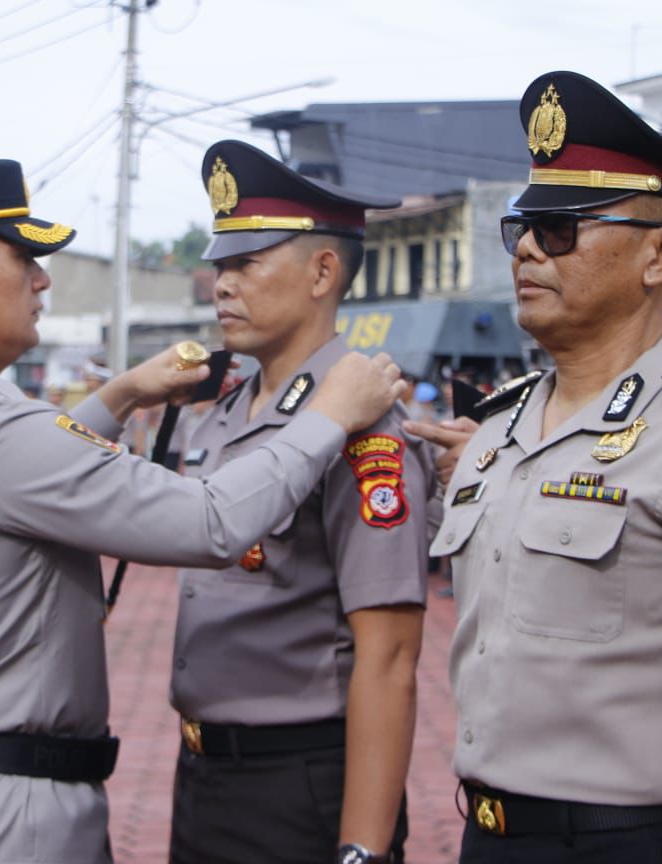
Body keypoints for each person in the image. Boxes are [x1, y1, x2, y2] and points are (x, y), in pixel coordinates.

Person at [0, 158, 408, 864]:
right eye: (24, 259)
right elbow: (210, 523)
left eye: (248, 260)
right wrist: (328, 415)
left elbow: (11, 474)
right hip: (2, 817)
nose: (43, 279)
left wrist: (123, 395)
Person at [405, 71, 662, 863]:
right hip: (487, 836)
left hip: (629, 841)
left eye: (560, 228)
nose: (528, 246)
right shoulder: (502, 428)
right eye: (522, 226)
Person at [168, 140, 435, 864]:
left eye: (245, 263)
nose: (221, 284)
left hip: (298, 788)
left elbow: (389, 658)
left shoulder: (364, 431)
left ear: (322, 271)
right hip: (204, 776)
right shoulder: (223, 414)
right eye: (220, 264)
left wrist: (363, 850)